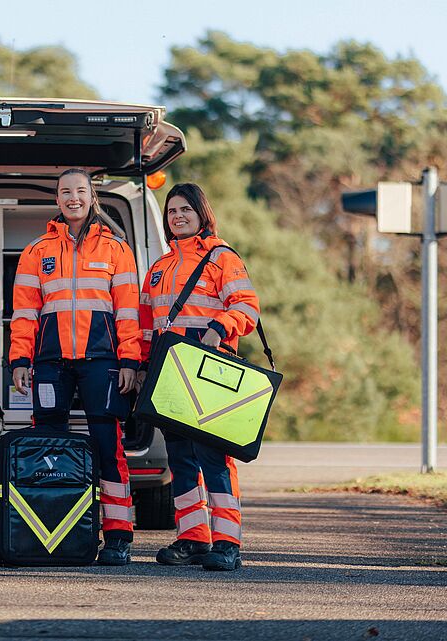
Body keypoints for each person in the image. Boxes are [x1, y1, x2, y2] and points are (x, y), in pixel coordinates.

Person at [9, 168, 141, 566]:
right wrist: (19, 359)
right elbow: (24, 313)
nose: (72, 198)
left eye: (79, 191)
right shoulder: (37, 251)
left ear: (91, 195)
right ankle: (52, 527)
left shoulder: (116, 249)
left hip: (103, 363)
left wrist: (130, 360)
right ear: (57, 198)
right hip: (50, 364)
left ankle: (118, 535)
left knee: (107, 446)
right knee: (48, 446)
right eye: (65, 192)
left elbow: (129, 313)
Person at [139, 183, 260, 572]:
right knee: (181, 458)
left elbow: (247, 306)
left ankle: (227, 543)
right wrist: (141, 367)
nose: (178, 216)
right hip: (170, 376)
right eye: (172, 211)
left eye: (185, 209)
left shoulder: (221, 257)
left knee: (215, 458)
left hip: (211, 374)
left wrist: (220, 326)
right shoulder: (158, 268)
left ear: (201, 213)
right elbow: (146, 325)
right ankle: (192, 537)